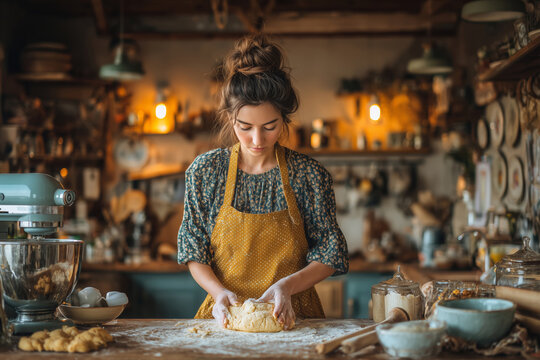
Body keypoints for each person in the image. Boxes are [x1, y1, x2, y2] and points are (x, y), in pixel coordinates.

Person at [177, 34, 348, 330]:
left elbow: (331, 253)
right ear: (230, 119)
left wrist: (287, 287)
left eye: (270, 127)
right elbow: (194, 251)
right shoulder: (205, 172)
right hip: (224, 319)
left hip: (295, 318)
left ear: (284, 119)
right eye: (246, 127)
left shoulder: (308, 175)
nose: (257, 140)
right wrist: (219, 295)